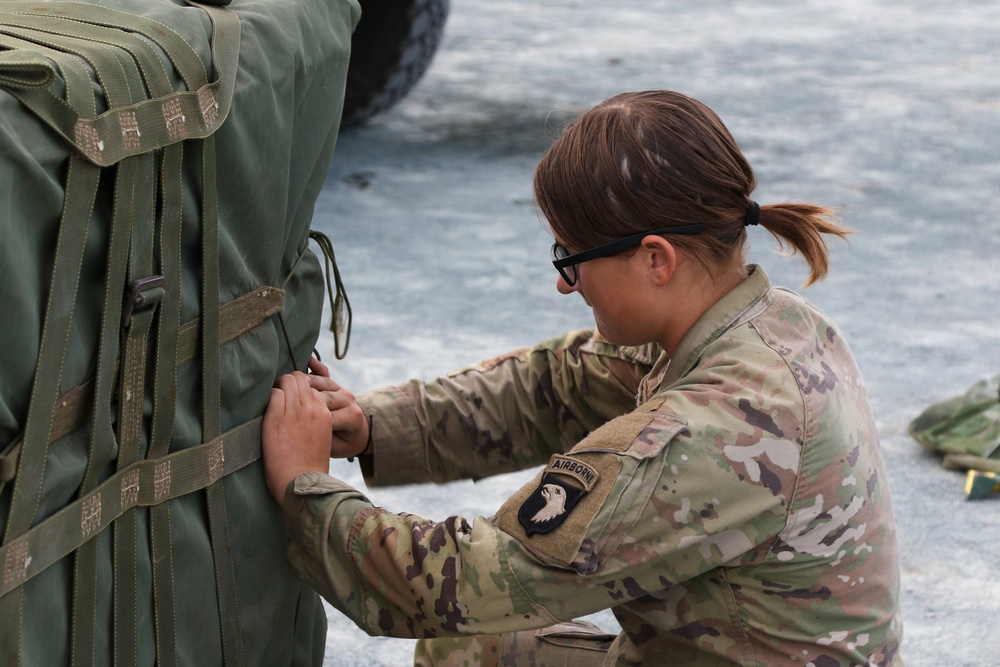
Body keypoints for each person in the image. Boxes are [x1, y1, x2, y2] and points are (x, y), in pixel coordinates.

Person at [262, 90, 904, 666]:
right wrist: (374, 426)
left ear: (656, 258)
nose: (565, 284)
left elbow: (472, 580)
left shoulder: (712, 433)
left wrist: (303, 486)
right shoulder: (767, 323)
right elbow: (553, 386)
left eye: (573, 259)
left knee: (465, 640)